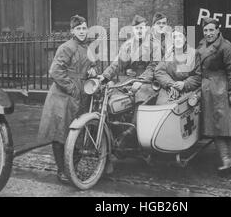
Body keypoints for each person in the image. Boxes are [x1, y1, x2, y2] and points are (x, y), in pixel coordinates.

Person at [37, 15, 97, 184]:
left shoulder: (88, 47)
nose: (82, 31)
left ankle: (72, 168)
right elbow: (55, 71)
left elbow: (91, 65)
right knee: (60, 134)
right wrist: (72, 88)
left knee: (77, 134)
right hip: (62, 97)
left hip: (80, 96)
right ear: (72, 31)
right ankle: (62, 170)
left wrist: (93, 71)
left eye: (84, 28)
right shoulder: (66, 47)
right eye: (78, 29)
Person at [97, 14, 160, 147]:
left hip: (150, 81)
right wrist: (105, 76)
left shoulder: (154, 44)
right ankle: (114, 130)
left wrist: (141, 80)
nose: (140, 31)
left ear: (147, 28)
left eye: (142, 28)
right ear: (133, 30)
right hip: (131, 79)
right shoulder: (128, 45)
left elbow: (154, 66)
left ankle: (132, 130)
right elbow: (118, 63)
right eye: (137, 29)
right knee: (113, 94)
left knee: (141, 95)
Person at [198, 17, 231, 172]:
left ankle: (229, 156)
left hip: (223, 88)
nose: (208, 33)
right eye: (205, 30)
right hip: (209, 91)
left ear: (218, 30)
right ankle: (227, 158)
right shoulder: (202, 45)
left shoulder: (227, 47)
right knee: (216, 126)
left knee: (227, 125)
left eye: (211, 30)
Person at [154, 29, 201, 105]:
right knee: (160, 109)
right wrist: (171, 84)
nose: (177, 39)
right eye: (175, 37)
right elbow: (159, 71)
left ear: (185, 39)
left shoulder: (194, 54)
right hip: (169, 88)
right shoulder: (169, 53)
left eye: (180, 36)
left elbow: (199, 76)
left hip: (187, 90)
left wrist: (184, 84)